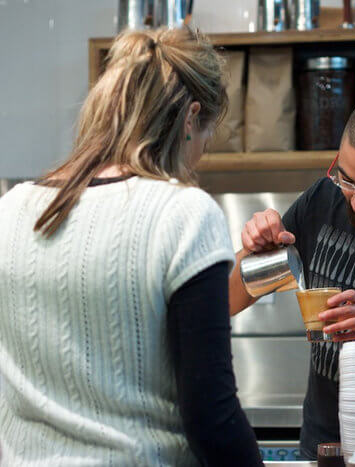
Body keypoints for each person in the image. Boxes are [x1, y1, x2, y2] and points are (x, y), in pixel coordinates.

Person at [0, 27, 261, 466]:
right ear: (190, 118)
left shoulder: (11, 210)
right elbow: (211, 418)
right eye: (206, 135)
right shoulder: (183, 216)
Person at [228, 94, 355, 458]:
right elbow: (224, 303)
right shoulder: (322, 198)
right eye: (348, 179)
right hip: (321, 447)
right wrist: (253, 251)